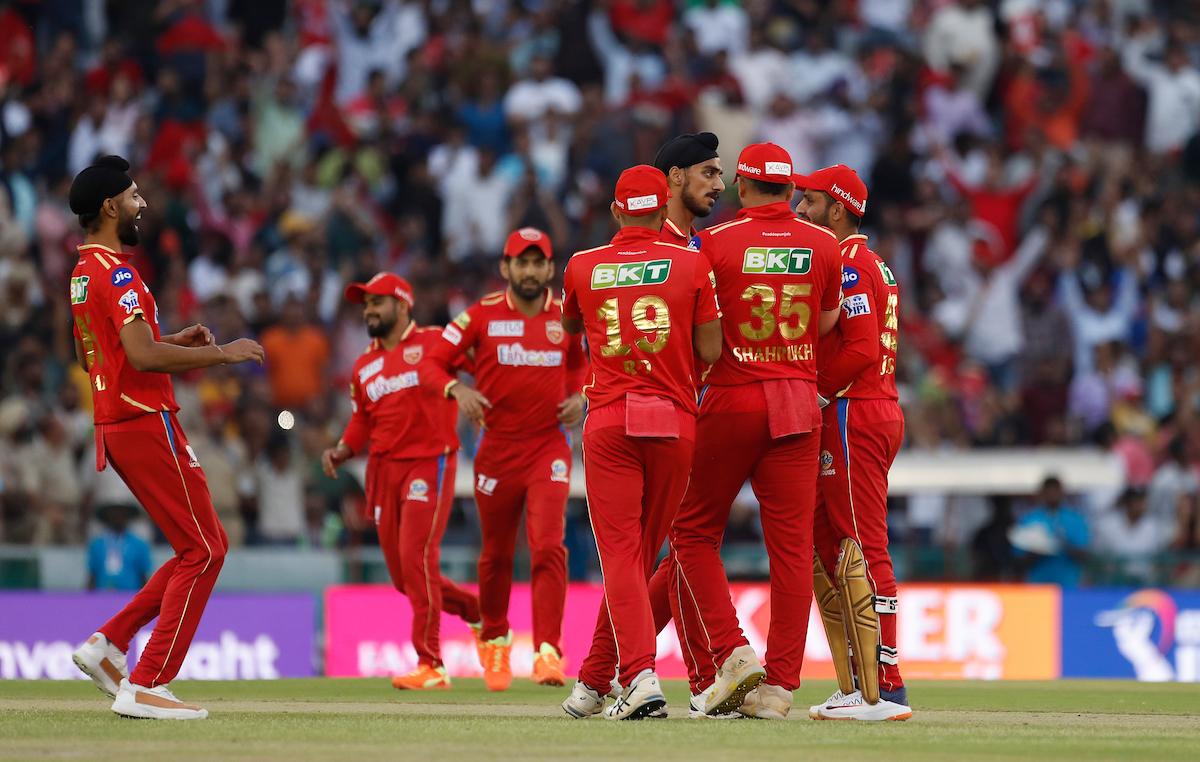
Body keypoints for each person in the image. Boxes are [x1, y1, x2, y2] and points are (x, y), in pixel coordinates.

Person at [67, 155, 265, 720]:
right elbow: (141, 355)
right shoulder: (119, 272)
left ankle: (108, 646)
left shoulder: (83, 273)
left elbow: (94, 356)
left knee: (191, 548)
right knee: (207, 550)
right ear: (109, 208)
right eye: (132, 196)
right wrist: (220, 353)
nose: (142, 204)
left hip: (118, 420)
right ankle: (148, 680)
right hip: (144, 419)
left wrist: (173, 338)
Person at [667, 143, 843, 721]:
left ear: (743, 186)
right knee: (791, 551)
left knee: (692, 533)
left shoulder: (712, 243)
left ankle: (731, 650)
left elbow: (696, 323)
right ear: (790, 190)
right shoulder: (823, 245)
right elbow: (824, 322)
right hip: (797, 403)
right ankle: (781, 688)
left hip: (732, 396)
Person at [560, 165, 722, 720]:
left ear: (615, 212)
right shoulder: (692, 262)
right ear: (661, 211)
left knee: (621, 559)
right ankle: (592, 681)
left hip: (609, 420)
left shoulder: (582, 266)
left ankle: (639, 678)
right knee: (636, 558)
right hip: (675, 422)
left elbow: (573, 329)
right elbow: (710, 350)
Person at [422, 227, 587, 691]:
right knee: (494, 554)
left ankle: (548, 651)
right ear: (506, 268)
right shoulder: (482, 315)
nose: (530, 271)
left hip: (547, 448)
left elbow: (583, 363)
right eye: (522, 262)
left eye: (538, 263)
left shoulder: (565, 316)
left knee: (548, 545)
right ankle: (494, 641)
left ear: (550, 269)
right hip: (495, 450)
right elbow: (434, 361)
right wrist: (458, 389)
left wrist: (581, 397)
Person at [321, 272, 482, 690]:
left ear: (403, 304)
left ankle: (431, 663)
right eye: (365, 304)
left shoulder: (435, 342)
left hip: (429, 463)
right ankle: (478, 611)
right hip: (383, 472)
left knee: (417, 557)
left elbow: (481, 364)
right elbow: (362, 419)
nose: (369, 310)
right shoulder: (363, 364)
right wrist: (343, 449)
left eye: (377, 302)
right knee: (403, 577)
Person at [795, 164, 912, 721]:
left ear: (836, 209)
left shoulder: (846, 262)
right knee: (834, 544)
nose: (799, 208)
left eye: (810, 201)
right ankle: (860, 680)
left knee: (862, 543)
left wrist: (813, 392)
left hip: (853, 413)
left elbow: (861, 349)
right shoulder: (875, 262)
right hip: (865, 409)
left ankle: (884, 683)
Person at [1010, 475, 1090, 588]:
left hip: (1068, 586)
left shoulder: (1075, 519)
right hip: (1038, 586)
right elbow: (1018, 561)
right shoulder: (1029, 519)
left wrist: (1063, 544)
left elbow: (1084, 556)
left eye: (1055, 491)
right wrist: (1038, 549)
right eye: (1049, 491)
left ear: (1062, 492)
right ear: (1042, 493)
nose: (1052, 495)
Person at [652, 131, 725, 248]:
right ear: (676, 176)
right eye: (709, 173)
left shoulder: (701, 243)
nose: (720, 186)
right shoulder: (652, 243)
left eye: (719, 175)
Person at [86, 504, 152, 591]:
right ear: (106, 515)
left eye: (122, 511)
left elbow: (143, 576)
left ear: (128, 514)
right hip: (101, 598)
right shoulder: (97, 544)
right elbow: (92, 575)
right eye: (113, 511)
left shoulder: (139, 544)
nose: (117, 515)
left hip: (131, 597)